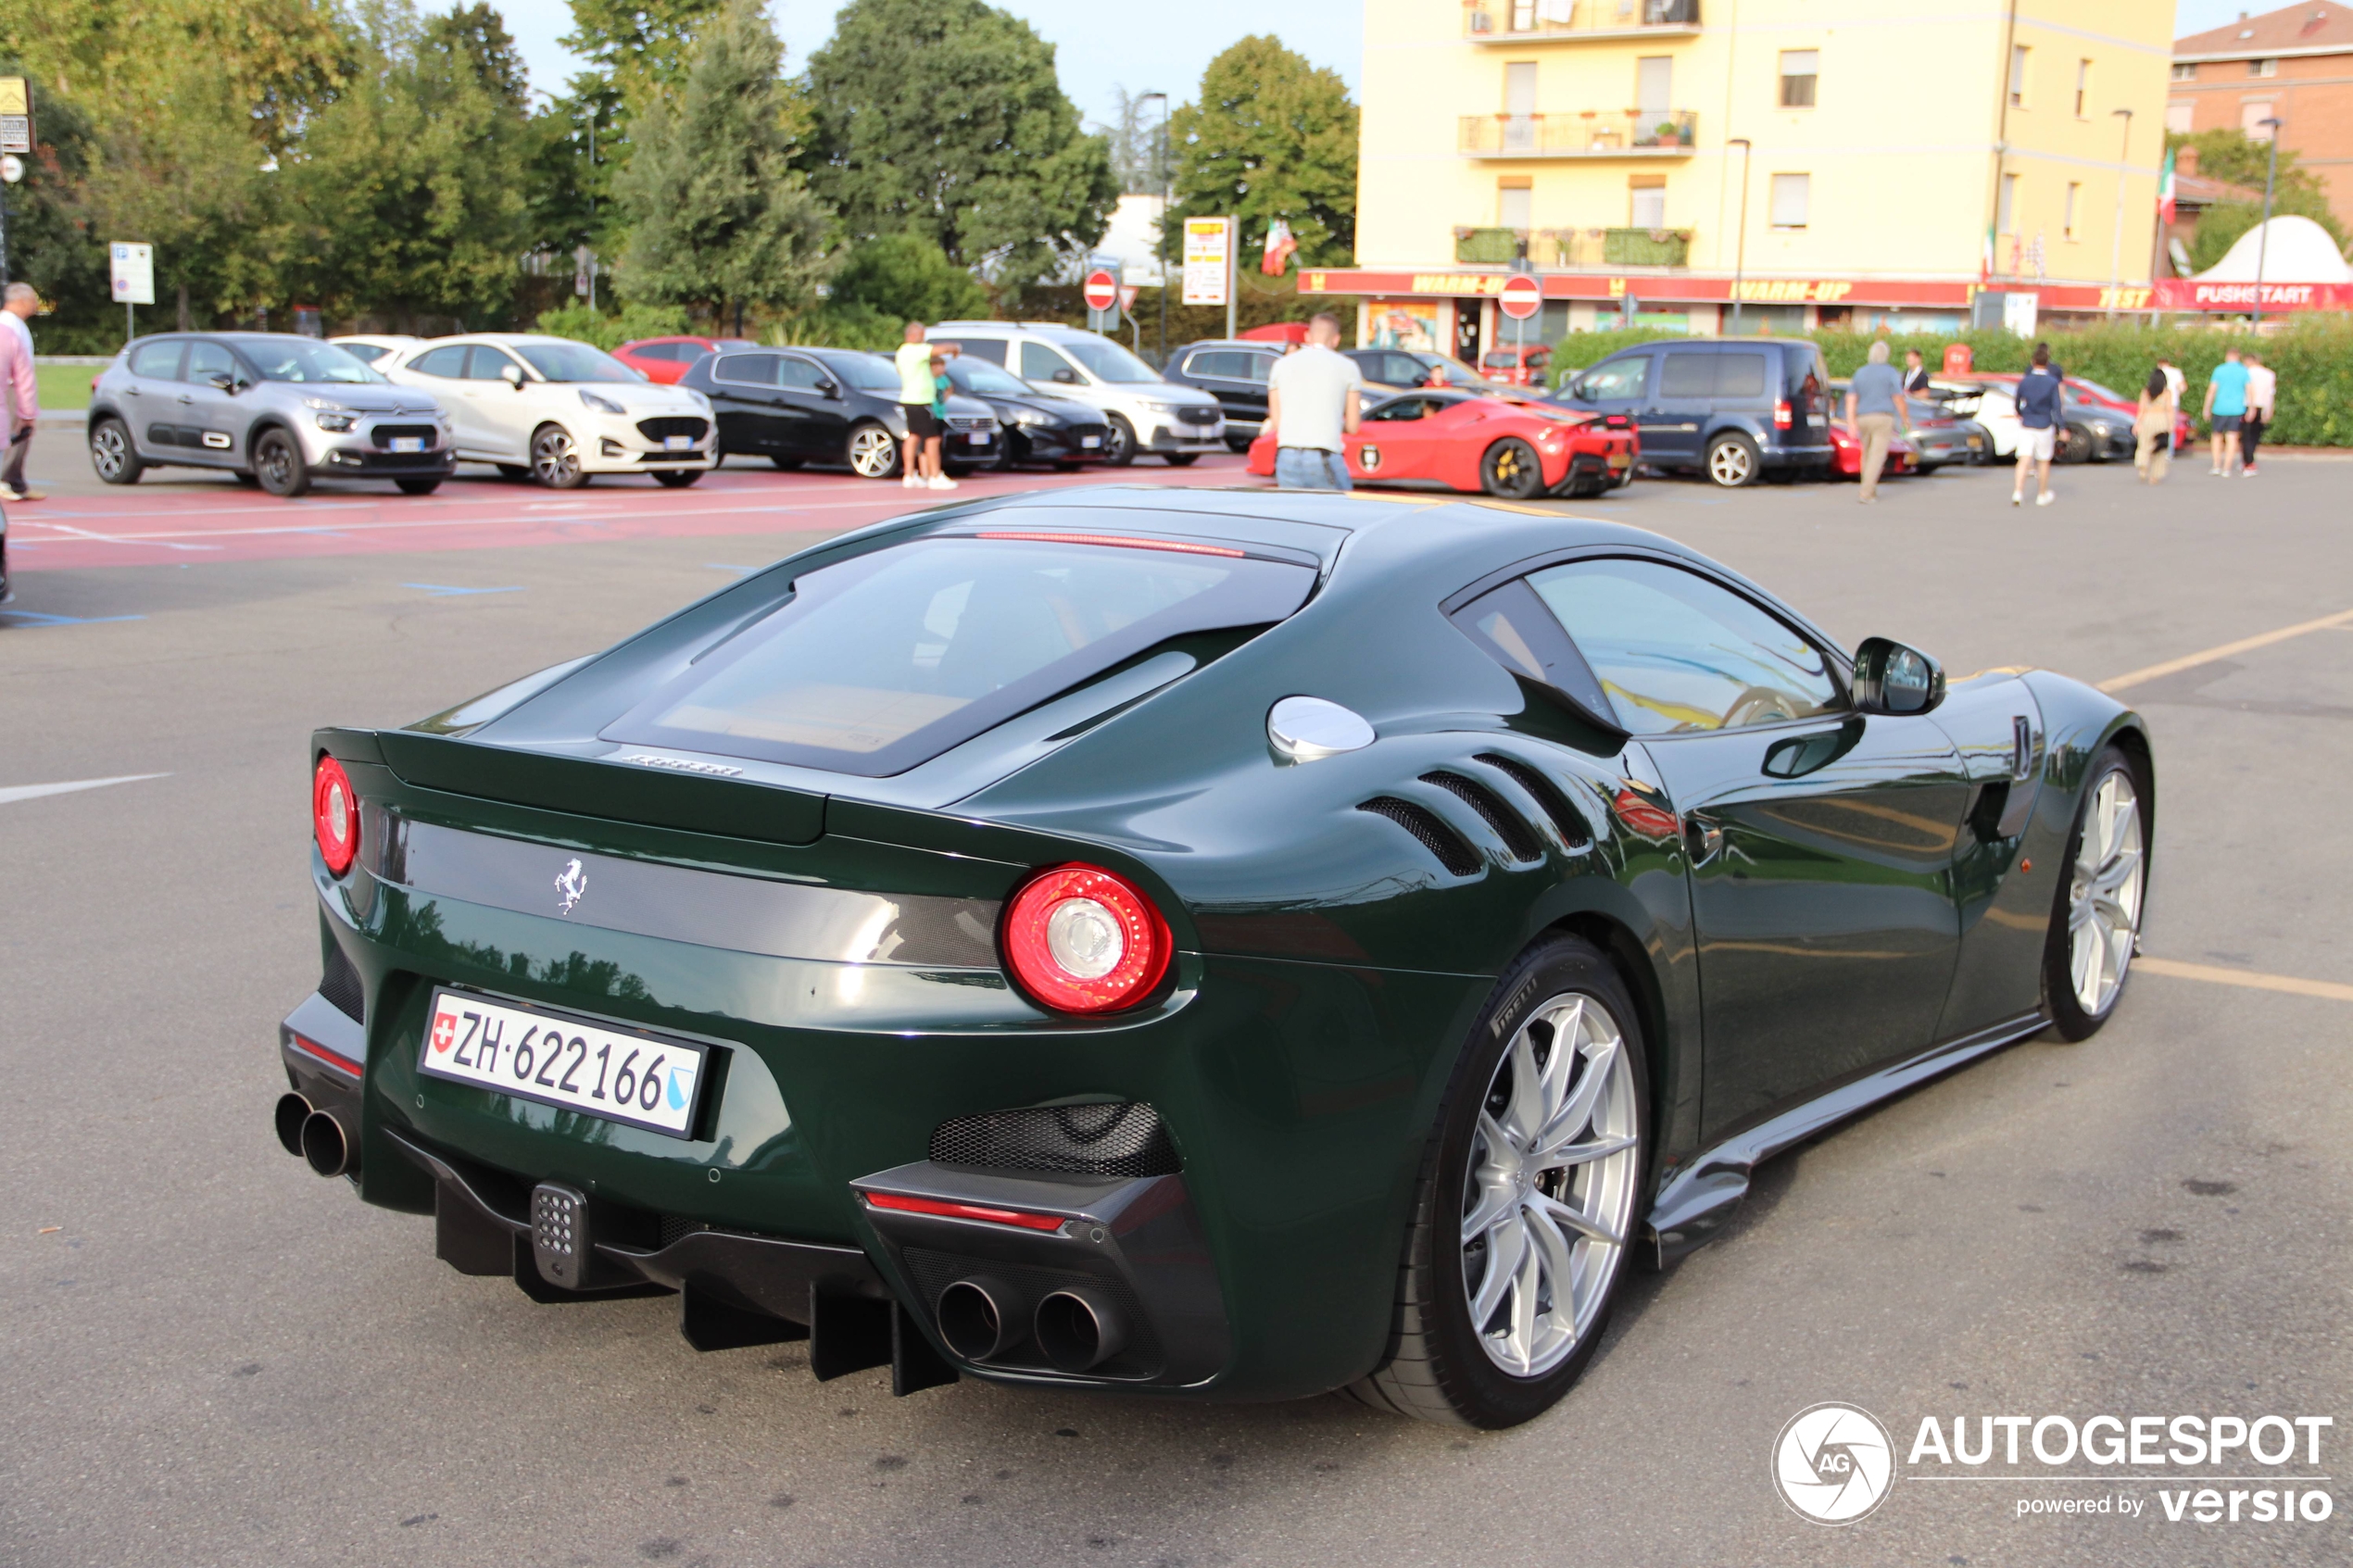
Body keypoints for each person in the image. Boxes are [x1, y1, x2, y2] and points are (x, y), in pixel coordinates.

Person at [1265, 312, 1365, 491]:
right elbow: (1353, 426)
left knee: (1293, 515)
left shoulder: (1280, 365)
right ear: (1336, 339)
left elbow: (1277, 421)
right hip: (1324, 455)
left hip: (1286, 454)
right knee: (1336, 514)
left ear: (1307, 337)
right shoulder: (1348, 367)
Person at [892, 320, 958, 491]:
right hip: (921, 401)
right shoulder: (915, 350)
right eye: (922, 335)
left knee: (913, 436)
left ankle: (909, 475)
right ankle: (935, 476)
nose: (924, 339)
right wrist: (955, 347)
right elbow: (939, 350)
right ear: (913, 335)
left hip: (908, 398)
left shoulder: (902, 351)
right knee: (933, 438)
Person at [1844, 339, 1905, 503]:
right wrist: (1905, 419)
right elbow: (1898, 398)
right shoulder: (1890, 372)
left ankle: (1869, 488)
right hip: (1883, 417)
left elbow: (1851, 398)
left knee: (1867, 454)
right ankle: (1866, 492)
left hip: (1863, 417)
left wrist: (1851, 422)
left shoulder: (1860, 372)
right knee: (1877, 456)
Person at [0, 283, 41, 503]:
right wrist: (28, 410)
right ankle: (5, 479)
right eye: (33, 299)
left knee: (19, 439)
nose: (35, 304)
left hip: (14, 387)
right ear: (21, 300)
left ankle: (16, 481)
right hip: (11, 388)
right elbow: (21, 369)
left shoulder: (15, 325)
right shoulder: (8, 325)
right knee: (14, 435)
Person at [2011, 342, 2064, 507]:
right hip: (2044, 424)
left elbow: (2017, 402)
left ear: (2033, 361)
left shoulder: (2025, 381)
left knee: (2024, 459)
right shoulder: (2052, 382)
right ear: (2047, 362)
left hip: (2027, 423)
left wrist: (2021, 414)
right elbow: (2056, 406)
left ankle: (2018, 492)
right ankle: (2042, 494)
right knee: (2043, 460)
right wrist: (2062, 426)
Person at [2203, 345, 2249, 478]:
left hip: (2219, 408)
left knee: (2216, 436)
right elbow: (2249, 390)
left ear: (2227, 356)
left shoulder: (2219, 370)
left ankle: (2216, 465)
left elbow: (2212, 390)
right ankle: (2227, 468)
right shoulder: (2243, 371)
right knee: (2232, 437)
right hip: (2236, 409)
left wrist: (2207, 407)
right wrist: (2250, 407)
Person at [2133, 366, 2174, 485]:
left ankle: (2143, 466)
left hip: (2147, 419)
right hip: (2161, 420)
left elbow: (2141, 409)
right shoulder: (2167, 393)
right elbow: (2169, 409)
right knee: (2159, 448)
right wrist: (2171, 424)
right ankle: (2155, 476)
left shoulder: (2146, 392)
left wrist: (2137, 424)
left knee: (2144, 444)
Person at [2241, 350, 2276, 477]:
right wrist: (2269, 410)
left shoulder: (2246, 373)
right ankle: (2250, 458)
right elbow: (2271, 394)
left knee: (2246, 436)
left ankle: (2248, 462)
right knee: (2255, 435)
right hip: (2262, 406)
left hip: (2246, 405)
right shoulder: (2269, 374)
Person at [2157, 356, 2187, 454]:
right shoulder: (2176, 372)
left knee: (2160, 426)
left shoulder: (2158, 372)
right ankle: (2169, 452)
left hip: (2160, 403)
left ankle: (2159, 449)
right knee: (2171, 426)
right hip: (2173, 402)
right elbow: (2183, 387)